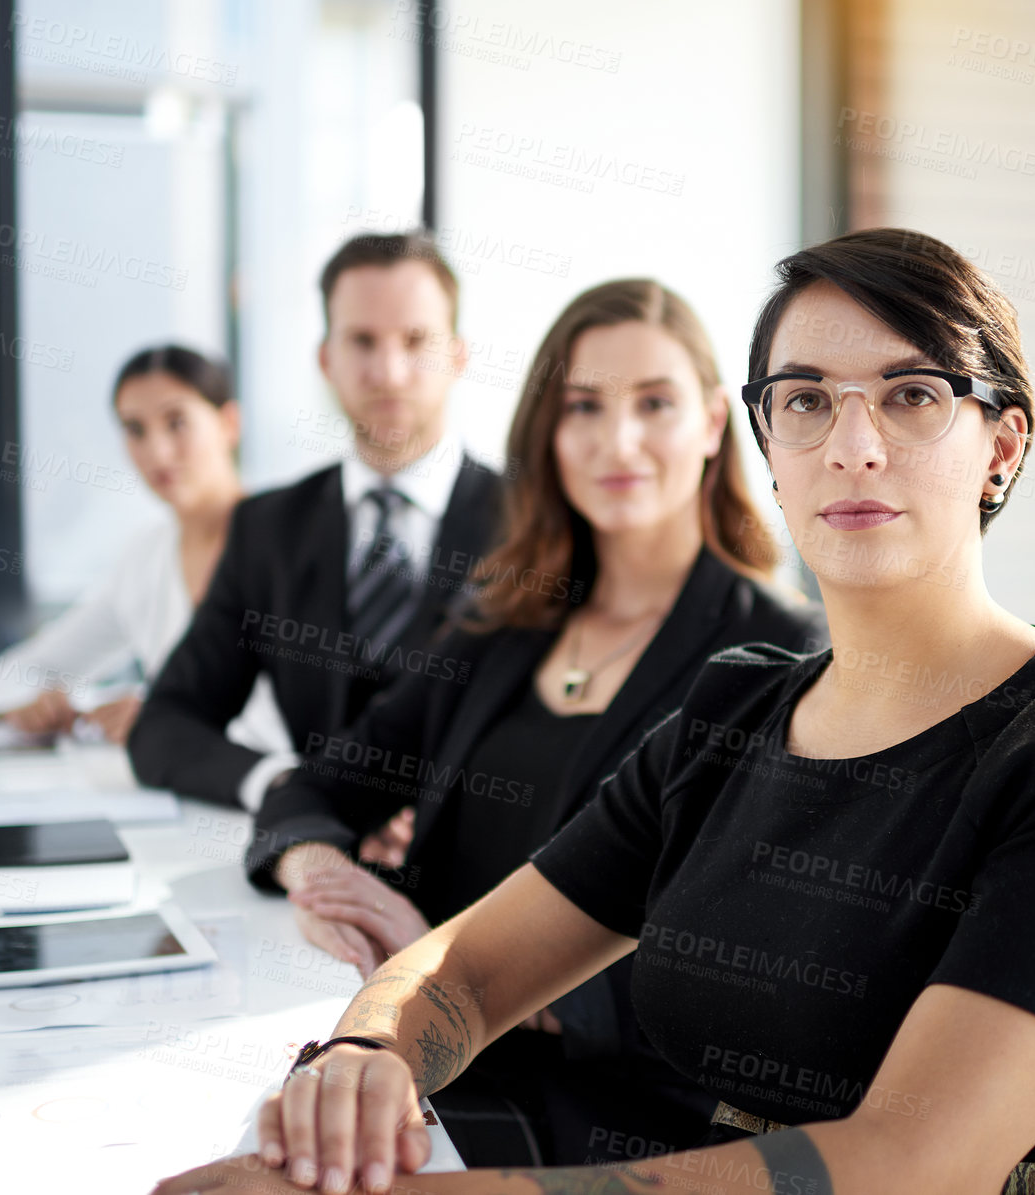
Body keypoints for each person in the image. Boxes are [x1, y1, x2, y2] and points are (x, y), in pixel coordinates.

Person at [155, 228, 1035, 1195]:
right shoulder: (736, 708)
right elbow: (465, 967)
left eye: (911, 395)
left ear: (1000, 446)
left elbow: (913, 1167)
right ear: (764, 442)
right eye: (804, 399)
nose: (851, 444)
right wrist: (365, 1061)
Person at [241, 278, 826, 1167]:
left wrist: (467, 971)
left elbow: (762, 958)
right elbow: (319, 783)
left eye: (655, 404)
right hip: (435, 1058)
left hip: (618, 1119)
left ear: (712, 423)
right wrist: (316, 865)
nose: (615, 441)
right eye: (583, 406)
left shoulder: (776, 649)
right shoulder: (503, 622)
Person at [127, 234, 504, 818]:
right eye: (362, 341)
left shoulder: (531, 524)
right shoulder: (269, 528)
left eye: (415, 340)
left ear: (457, 355)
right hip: (312, 865)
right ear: (326, 359)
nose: (389, 371)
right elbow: (164, 726)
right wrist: (282, 785)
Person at [0, 345, 289, 755]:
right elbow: (22, 672)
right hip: (178, 806)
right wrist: (35, 705)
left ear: (229, 423)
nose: (158, 452)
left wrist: (165, 717)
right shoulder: (147, 558)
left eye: (177, 422)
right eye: (135, 430)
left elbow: (308, 715)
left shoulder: (291, 540)